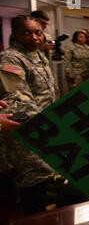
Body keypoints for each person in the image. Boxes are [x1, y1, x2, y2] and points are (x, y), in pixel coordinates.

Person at [0, 15, 57, 214]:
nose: (34, 37)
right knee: (35, 173)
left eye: (37, 33)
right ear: (15, 34)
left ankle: (41, 215)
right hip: (27, 127)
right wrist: (46, 126)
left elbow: (48, 92)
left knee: (44, 173)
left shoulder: (38, 55)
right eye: (27, 33)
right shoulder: (11, 58)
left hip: (42, 124)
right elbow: (17, 99)